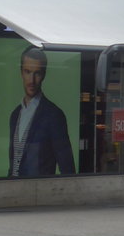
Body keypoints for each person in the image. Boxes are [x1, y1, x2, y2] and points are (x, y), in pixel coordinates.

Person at [9, 45, 75, 177]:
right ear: (21, 72)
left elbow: (67, 166)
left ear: (43, 75)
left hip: (39, 192)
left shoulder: (54, 115)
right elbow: (14, 162)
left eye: (37, 73)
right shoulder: (15, 114)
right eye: (28, 72)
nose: (32, 80)